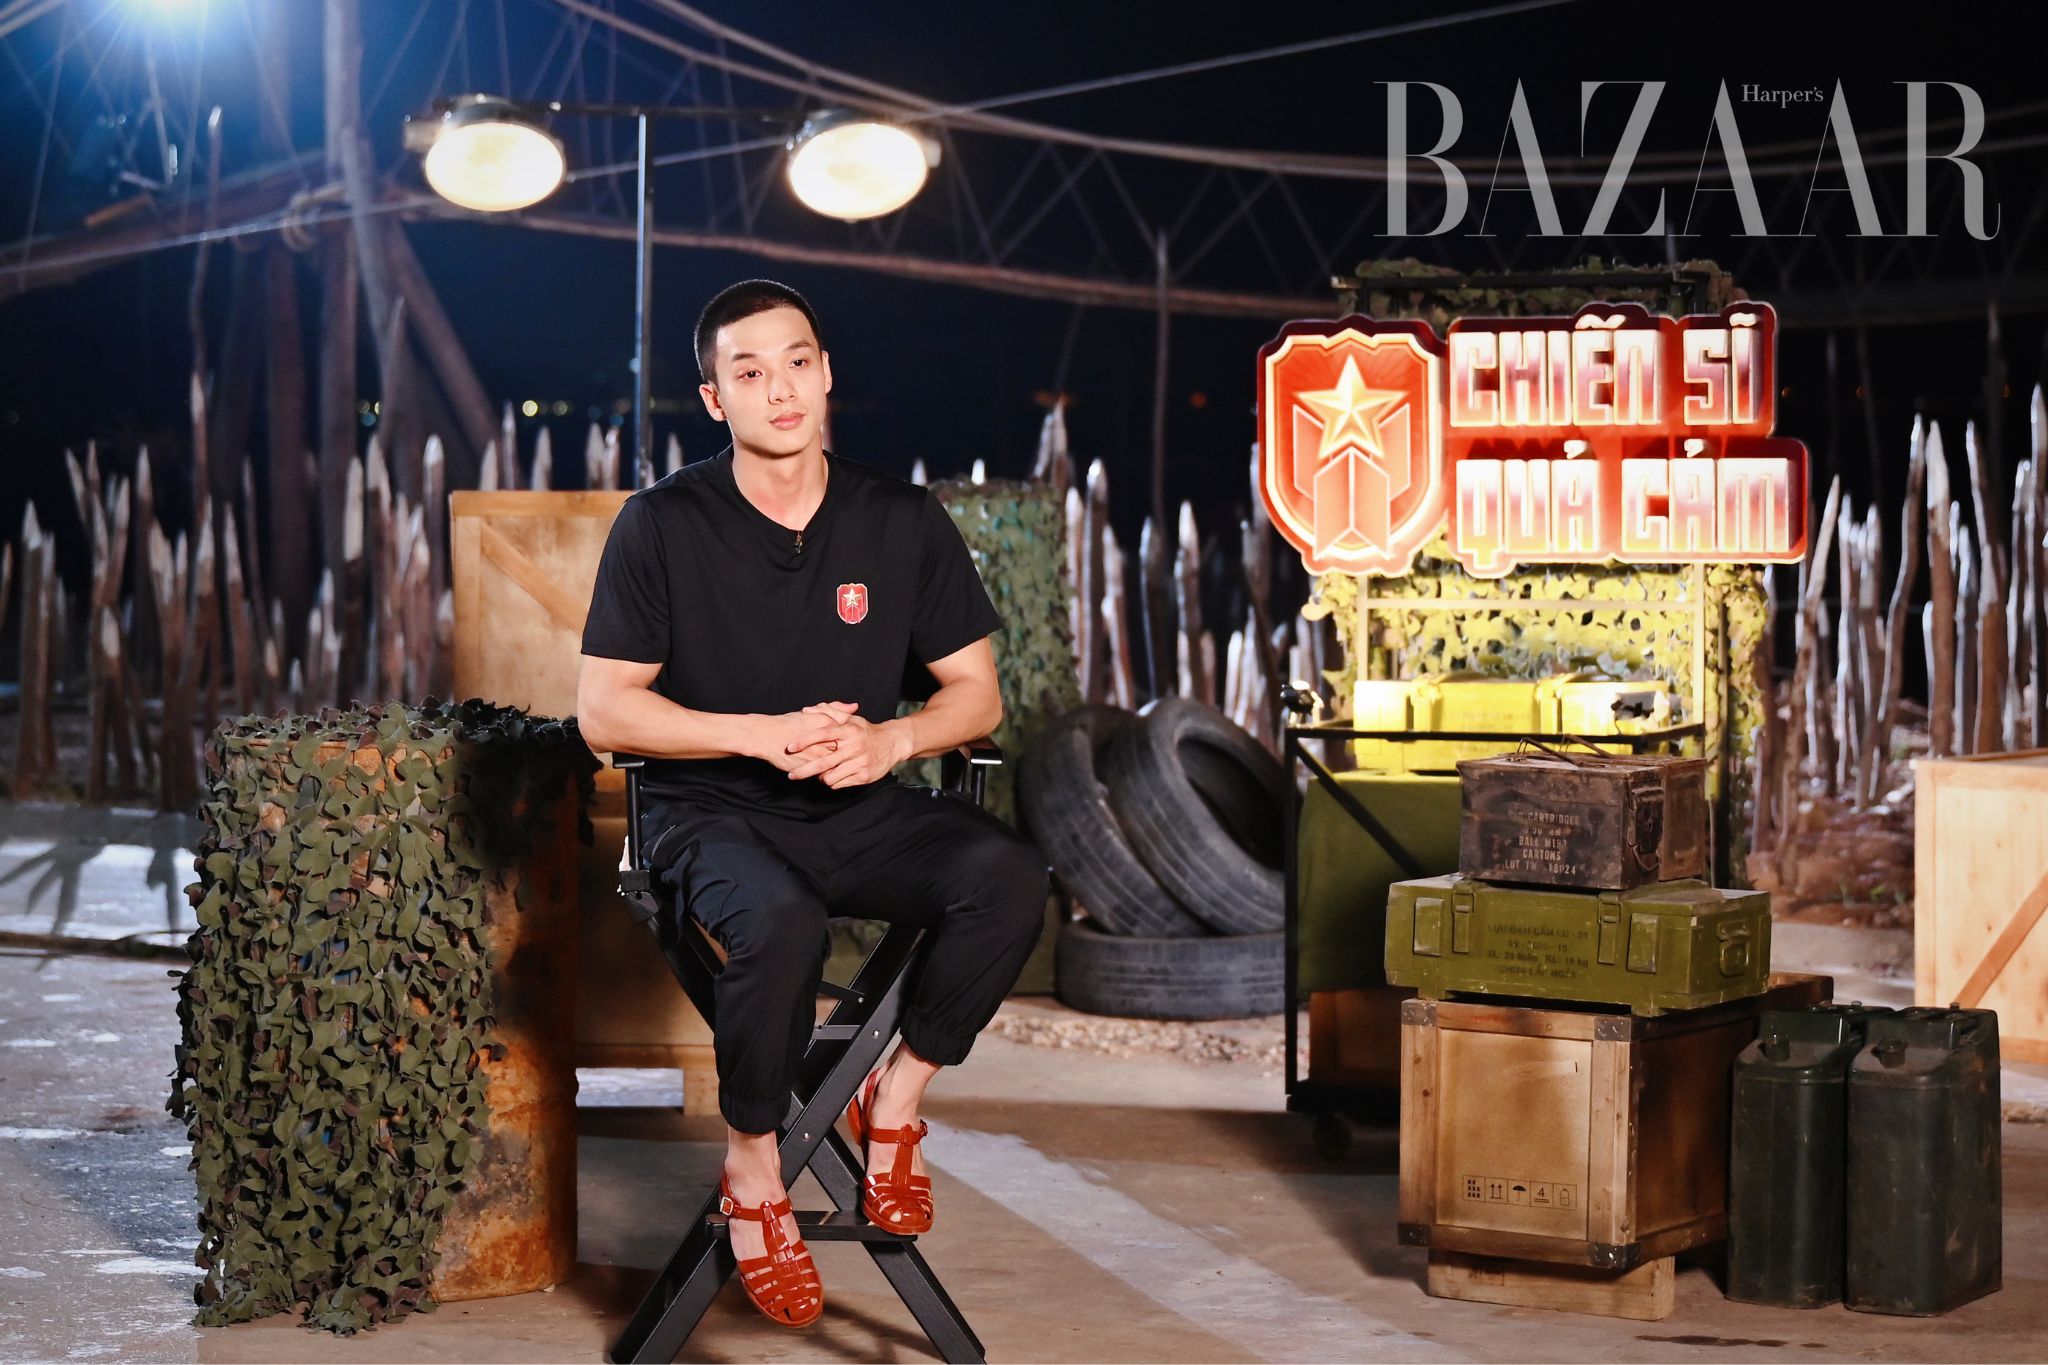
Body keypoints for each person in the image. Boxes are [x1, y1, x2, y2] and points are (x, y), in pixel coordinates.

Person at [576, 278, 1048, 1330]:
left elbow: (975, 695)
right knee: (781, 921)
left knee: (1010, 873)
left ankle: (897, 1095)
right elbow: (604, 713)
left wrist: (891, 739)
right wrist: (756, 732)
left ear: (827, 373)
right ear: (715, 399)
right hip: (710, 813)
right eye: (749, 373)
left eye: (797, 363)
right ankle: (754, 1167)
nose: (780, 389)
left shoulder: (900, 519)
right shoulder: (661, 523)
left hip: (857, 803)